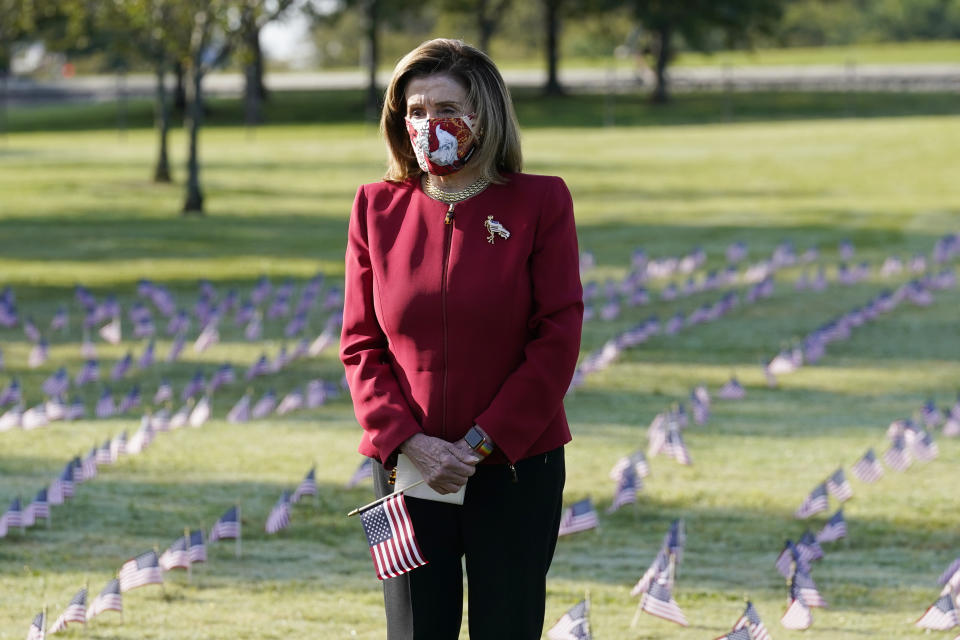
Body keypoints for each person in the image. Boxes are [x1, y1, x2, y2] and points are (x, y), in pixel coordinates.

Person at [340, 38, 583, 640]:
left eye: (444, 108)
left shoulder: (541, 201)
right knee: (413, 630)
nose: (428, 124)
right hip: (403, 467)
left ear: (485, 115)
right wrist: (409, 442)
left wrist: (479, 445)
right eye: (414, 111)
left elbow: (557, 337)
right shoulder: (375, 207)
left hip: (516, 466)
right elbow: (359, 343)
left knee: (509, 626)